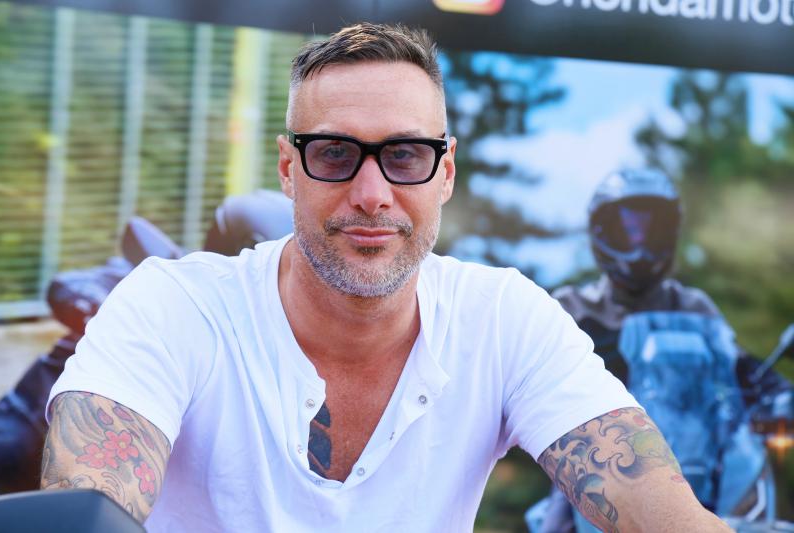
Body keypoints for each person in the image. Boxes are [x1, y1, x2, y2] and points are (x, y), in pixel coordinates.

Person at [40, 24, 730, 532]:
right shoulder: (172, 306)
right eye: (334, 153)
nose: (372, 194)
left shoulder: (504, 318)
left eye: (404, 155)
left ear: (445, 172)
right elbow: (86, 506)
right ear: (287, 170)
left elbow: (663, 514)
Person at [537, 168, 792, 531]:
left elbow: (739, 366)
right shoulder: (574, 308)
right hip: (604, 466)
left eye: (650, 229)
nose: (639, 240)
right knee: (556, 522)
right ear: (600, 233)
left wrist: (777, 396)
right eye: (627, 229)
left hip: (703, 465)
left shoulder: (693, 307)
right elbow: (534, 375)